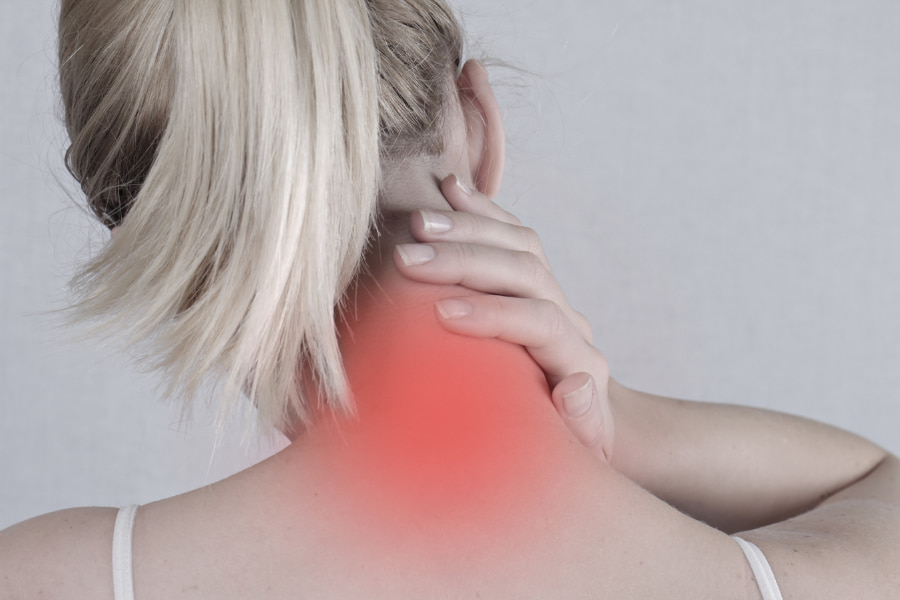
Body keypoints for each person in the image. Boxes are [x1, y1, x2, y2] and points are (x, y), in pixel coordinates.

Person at [1, 0, 898, 598]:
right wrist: (621, 423)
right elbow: (873, 479)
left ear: (155, 233)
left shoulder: (52, 579)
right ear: (477, 127)